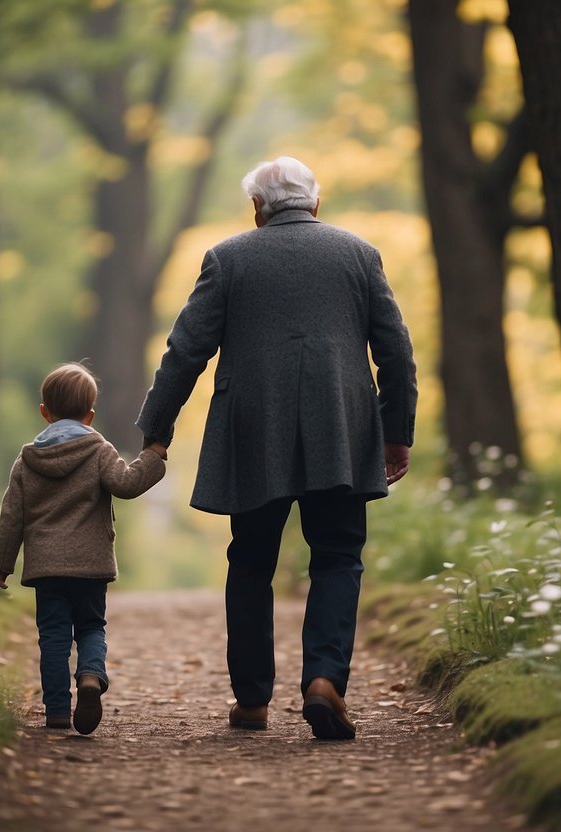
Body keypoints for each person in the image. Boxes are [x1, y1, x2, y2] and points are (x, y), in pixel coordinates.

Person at [136, 156, 417, 740]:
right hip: (340, 432)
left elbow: (185, 352)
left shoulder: (228, 258)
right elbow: (396, 353)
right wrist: (396, 435)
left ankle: (253, 701)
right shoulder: (359, 255)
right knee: (338, 555)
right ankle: (324, 681)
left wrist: (156, 430)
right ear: (315, 204)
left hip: (253, 432)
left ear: (257, 210)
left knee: (251, 561)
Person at [0, 362, 167, 734]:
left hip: (46, 568)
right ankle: (90, 675)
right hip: (90, 565)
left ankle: (56, 710)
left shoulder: (27, 460)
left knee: (53, 636)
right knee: (90, 626)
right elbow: (127, 483)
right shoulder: (99, 449)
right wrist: (153, 456)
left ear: (44, 412)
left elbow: (12, 515)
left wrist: (2, 562)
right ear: (90, 415)